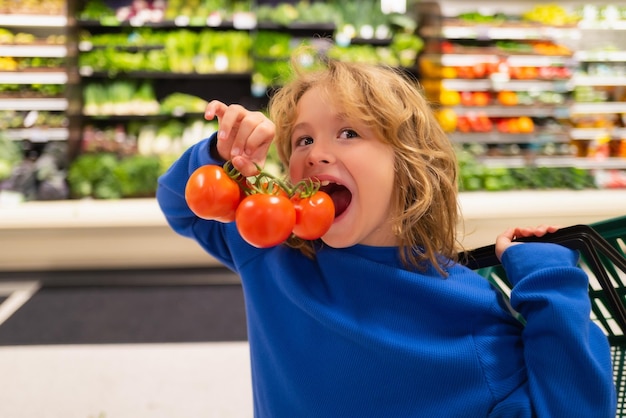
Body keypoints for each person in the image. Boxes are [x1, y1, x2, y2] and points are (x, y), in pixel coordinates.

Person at [156, 56, 616, 417]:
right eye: (302, 140)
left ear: (410, 164)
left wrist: (546, 277)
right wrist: (221, 156)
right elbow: (186, 208)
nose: (317, 154)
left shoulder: (472, 316)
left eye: (349, 132)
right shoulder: (274, 251)